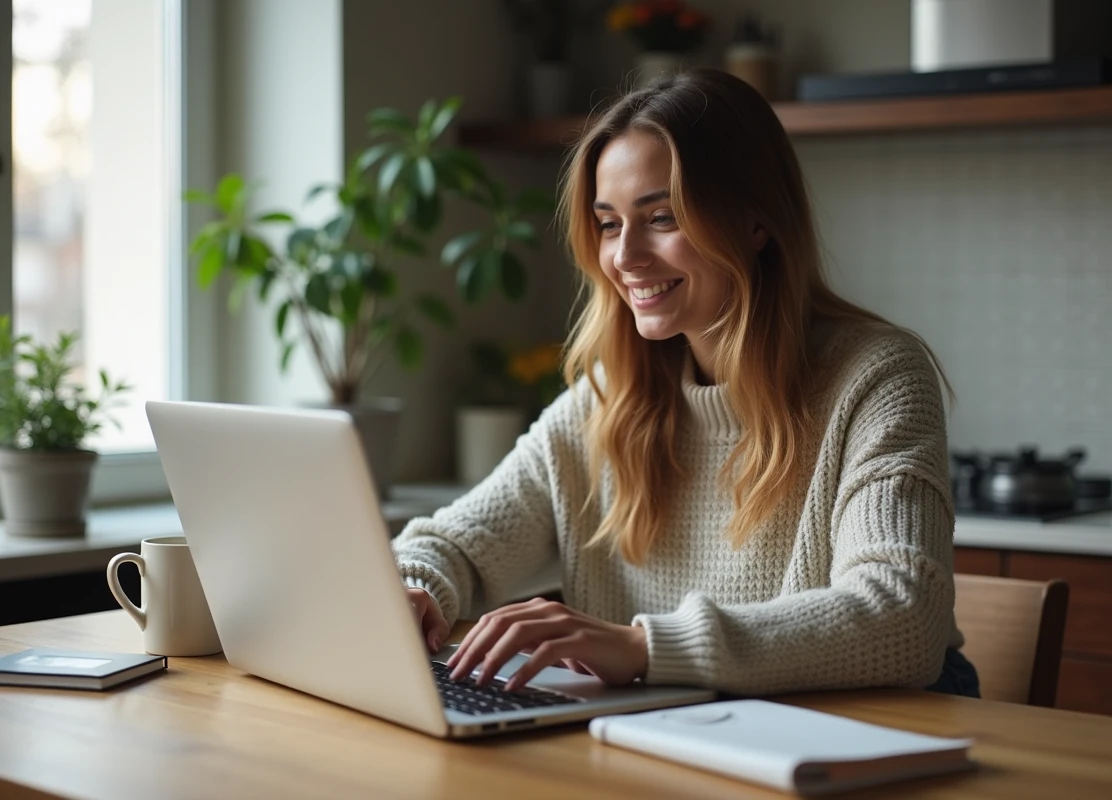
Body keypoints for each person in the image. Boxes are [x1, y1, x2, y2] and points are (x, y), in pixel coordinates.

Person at [392, 68, 980, 699]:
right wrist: (416, 586)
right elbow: (457, 542)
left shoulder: (879, 378)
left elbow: (902, 617)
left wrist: (644, 647)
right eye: (610, 223)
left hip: (859, 734)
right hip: (674, 731)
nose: (624, 256)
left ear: (757, 222)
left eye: (662, 217)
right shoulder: (611, 395)